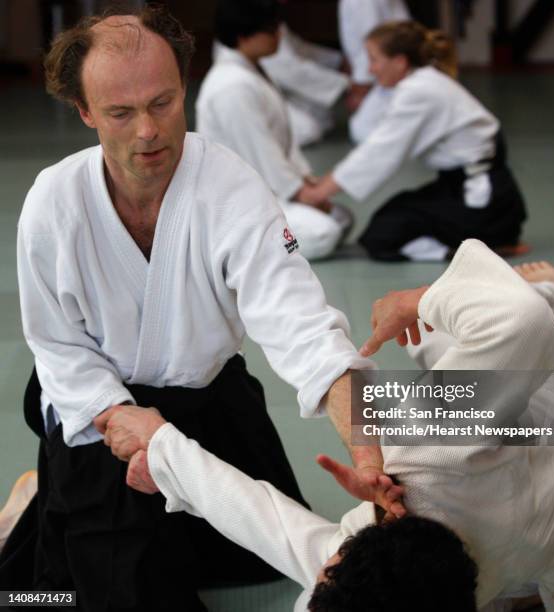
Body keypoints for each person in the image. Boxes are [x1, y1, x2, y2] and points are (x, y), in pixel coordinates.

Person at [0, 6, 389, 611]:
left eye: (162, 103)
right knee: (104, 595)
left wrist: (369, 448)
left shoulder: (230, 188)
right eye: (120, 113)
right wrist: (118, 420)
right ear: (84, 112)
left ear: (186, 88)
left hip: (206, 400)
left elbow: (301, 326)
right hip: (101, 410)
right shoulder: (54, 202)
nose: (148, 132)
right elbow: (57, 344)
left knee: (245, 564)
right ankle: (35, 506)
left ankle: (48, 501)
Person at [96, 239, 554, 611]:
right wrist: (416, 299)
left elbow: (257, 517)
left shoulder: (407, 586)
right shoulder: (428, 441)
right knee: (435, 331)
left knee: (459, 358)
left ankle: (550, 299)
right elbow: (521, 322)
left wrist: (162, 453)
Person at [301, 21, 528, 263]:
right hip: (469, 188)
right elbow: (371, 136)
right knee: (393, 214)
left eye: (375, 60)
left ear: (399, 62)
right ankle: (487, 239)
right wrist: (324, 182)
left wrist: (319, 192)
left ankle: (475, 248)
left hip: (483, 202)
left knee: (382, 236)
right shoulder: (419, 82)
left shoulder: (420, 92)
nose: (370, 69)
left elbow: (380, 152)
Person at [195, 0, 354, 261]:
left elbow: (281, 147)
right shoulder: (231, 87)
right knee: (323, 232)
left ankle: (269, 239)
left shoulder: (250, 71)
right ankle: (240, 250)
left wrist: (305, 183)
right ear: (244, 37)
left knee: (341, 218)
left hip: (267, 191)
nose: (279, 36)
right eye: (271, 31)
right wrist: (300, 194)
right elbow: (261, 154)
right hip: (236, 203)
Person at [260, 23, 349, 146]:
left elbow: (299, 48)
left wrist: (337, 61)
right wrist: (347, 86)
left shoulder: (272, 16)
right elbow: (288, 68)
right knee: (307, 130)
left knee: (323, 117)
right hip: (254, 89)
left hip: (274, 86)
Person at [338, 0, 412, 143]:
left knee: (363, 130)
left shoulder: (362, 3)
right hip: (389, 71)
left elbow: (373, 47)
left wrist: (361, 86)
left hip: (390, 75)